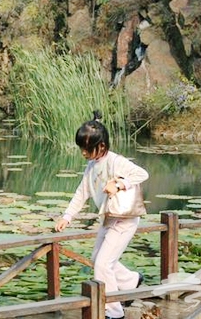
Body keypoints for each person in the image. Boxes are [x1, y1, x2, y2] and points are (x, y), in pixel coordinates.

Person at [54, 110, 149, 319]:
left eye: (87, 149)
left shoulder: (116, 161)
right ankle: (130, 281)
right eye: (82, 148)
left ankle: (114, 312)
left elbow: (142, 173)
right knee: (97, 257)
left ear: (102, 146)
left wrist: (119, 183)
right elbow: (82, 192)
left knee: (103, 264)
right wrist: (67, 216)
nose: (84, 153)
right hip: (108, 218)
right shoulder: (91, 167)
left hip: (124, 219)